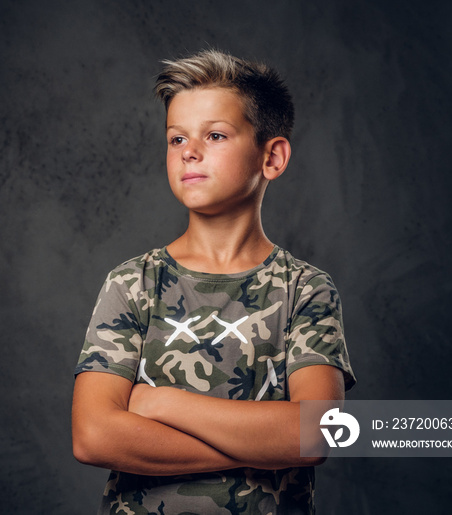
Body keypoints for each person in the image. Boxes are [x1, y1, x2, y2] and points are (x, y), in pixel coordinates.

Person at [71, 49, 356, 515]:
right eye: (176, 137)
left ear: (273, 157)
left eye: (216, 135)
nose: (189, 151)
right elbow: (93, 435)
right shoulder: (133, 283)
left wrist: (161, 403)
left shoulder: (306, 289)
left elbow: (316, 433)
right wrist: (260, 450)